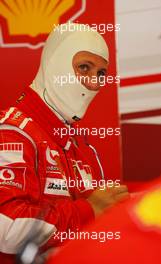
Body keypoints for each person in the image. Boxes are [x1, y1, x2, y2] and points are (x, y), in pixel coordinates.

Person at [0, 23, 128, 262]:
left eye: (101, 73)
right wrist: (88, 210)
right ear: (54, 63)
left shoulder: (77, 143)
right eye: (84, 67)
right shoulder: (11, 131)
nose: (93, 83)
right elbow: (5, 227)